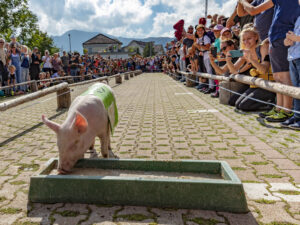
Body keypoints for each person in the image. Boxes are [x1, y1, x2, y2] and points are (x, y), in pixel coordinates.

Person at [238, 0, 300, 122]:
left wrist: (241, 1)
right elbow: (242, 12)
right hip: (274, 38)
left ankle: (287, 110)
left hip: (284, 36)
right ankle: (279, 108)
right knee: (277, 77)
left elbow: (253, 10)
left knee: (285, 76)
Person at [226, 26, 276, 111]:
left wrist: (252, 60)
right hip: (256, 84)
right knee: (233, 102)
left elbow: (264, 70)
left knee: (243, 106)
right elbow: (233, 71)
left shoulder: (262, 47)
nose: (246, 42)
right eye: (244, 40)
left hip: (267, 85)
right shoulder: (244, 52)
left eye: (249, 38)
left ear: (256, 37)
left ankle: (270, 103)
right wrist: (228, 60)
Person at [281, 13, 300, 129]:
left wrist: (296, 38)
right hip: (293, 57)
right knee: (295, 89)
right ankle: (297, 116)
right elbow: (291, 38)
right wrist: (287, 41)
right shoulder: (297, 18)